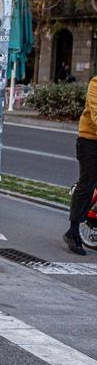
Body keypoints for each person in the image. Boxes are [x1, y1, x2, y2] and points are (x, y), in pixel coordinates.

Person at [64, 74, 97, 256]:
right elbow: (96, 112)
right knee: (87, 183)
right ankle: (73, 231)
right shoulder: (95, 83)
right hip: (90, 140)